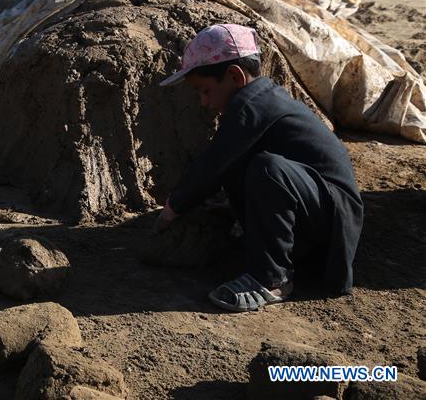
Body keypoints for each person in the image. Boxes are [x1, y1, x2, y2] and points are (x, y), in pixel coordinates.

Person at [155, 23, 363, 312]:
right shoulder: (259, 101)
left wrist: (172, 208)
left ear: (235, 76)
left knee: (267, 168)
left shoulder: (252, 104)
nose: (204, 102)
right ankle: (267, 252)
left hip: (333, 218)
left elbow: (213, 163)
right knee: (249, 165)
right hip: (315, 210)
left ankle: (271, 279)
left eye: (205, 90)